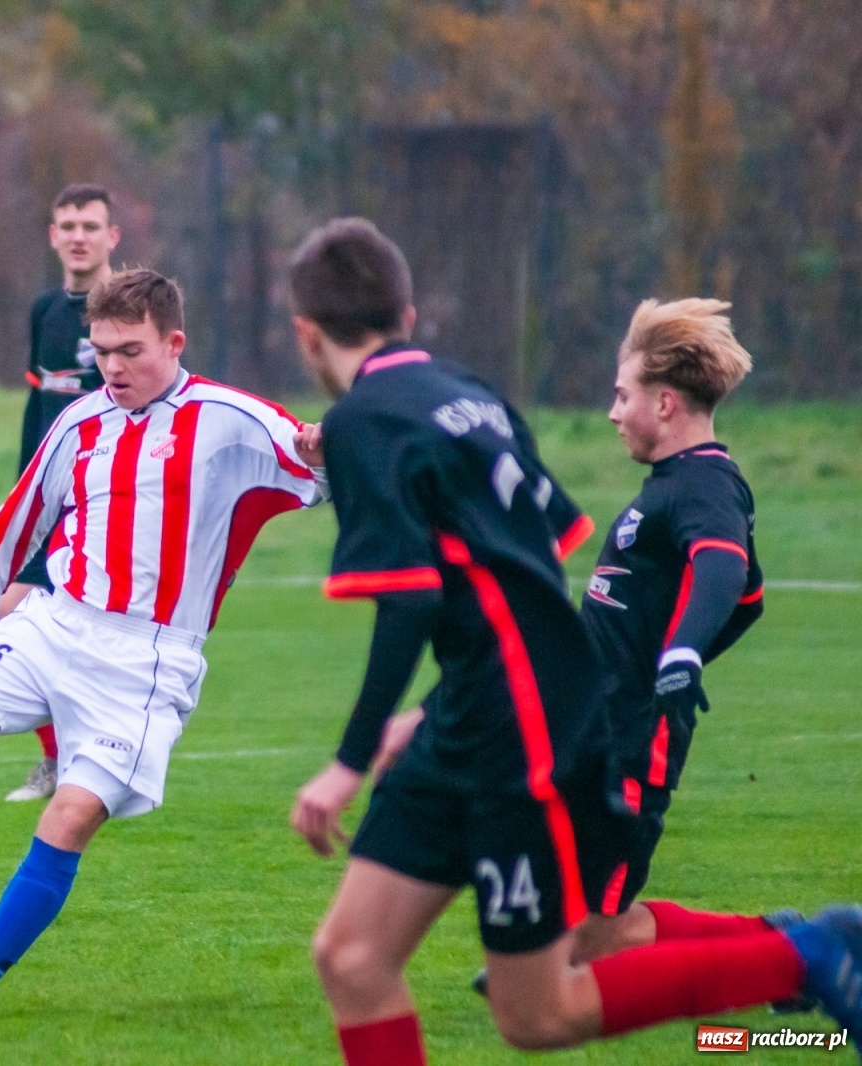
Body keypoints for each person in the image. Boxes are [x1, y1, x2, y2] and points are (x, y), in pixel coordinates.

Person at [285, 217, 861, 1064]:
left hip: (519, 741)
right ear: (405, 313)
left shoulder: (364, 419)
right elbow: (522, 588)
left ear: (307, 334)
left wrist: (349, 759)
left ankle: (806, 956)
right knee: (352, 957)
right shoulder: (474, 396)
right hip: (481, 718)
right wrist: (434, 711)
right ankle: (798, 951)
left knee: (540, 1010)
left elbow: (412, 603)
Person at [0, 268, 326, 1022]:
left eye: (130, 350)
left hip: (147, 659)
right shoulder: (80, 420)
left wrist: (327, 446)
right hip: (54, 621)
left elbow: (312, 459)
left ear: (174, 343)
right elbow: (22, 518)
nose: (113, 367)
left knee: (70, 816)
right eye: (102, 351)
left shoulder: (229, 418)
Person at [0, 182, 121, 803]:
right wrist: (23, 490)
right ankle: (63, 760)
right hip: (50, 499)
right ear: (53, 236)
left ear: (111, 237)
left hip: (104, 499)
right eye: (68, 226)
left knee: (34, 618)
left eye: (90, 226)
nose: (79, 237)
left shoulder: (127, 312)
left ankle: (78, 758)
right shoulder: (45, 310)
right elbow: (38, 402)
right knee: (18, 614)